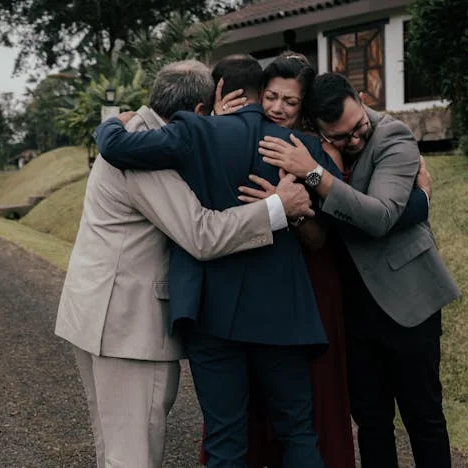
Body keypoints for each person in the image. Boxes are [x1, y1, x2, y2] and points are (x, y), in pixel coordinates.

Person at [55, 60, 314, 468]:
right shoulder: (145, 155)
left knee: (114, 449)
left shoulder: (135, 132)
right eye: (209, 114)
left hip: (98, 312)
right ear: (197, 112)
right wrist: (278, 207)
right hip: (127, 326)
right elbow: (201, 235)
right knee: (132, 455)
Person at [215, 52, 431, 468]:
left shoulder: (325, 149)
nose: (277, 107)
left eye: (290, 102)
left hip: (321, 282)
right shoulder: (242, 133)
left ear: (305, 111)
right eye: (271, 97)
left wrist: (419, 201)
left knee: (324, 400)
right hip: (252, 284)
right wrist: (217, 122)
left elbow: (357, 219)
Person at [256, 72, 461, 468]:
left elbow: (381, 216)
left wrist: (316, 174)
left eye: (358, 126)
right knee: (371, 422)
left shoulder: (393, 137)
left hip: (407, 300)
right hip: (353, 311)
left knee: (425, 420)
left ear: (362, 99)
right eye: (342, 136)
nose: (355, 139)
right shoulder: (308, 145)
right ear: (317, 127)